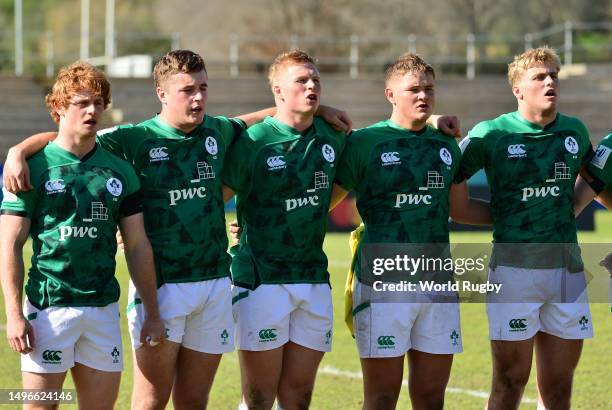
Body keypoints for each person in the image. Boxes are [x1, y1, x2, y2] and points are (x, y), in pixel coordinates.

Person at [2, 49, 351, 410]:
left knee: (194, 401)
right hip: (161, 286)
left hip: (214, 282)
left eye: (203, 87)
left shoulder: (217, 129)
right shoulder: (133, 138)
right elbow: (71, 135)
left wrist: (320, 110)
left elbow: (269, 117)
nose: (198, 97)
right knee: (150, 400)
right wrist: (19, 150)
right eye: (187, 90)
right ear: (162, 94)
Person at [0, 61, 164, 409]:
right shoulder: (33, 167)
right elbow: (10, 244)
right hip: (47, 311)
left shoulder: (120, 171)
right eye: (82, 103)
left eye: (99, 103)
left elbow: (136, 245)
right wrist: (14, 315)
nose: (93, 110)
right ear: (58, 108)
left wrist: (152, 311)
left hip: (102, 310)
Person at [331, 53, 491, 410]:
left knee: (431, 398)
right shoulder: (364, 143)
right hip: (383, 281)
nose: (423, 96)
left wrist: (519, 213)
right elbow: (324, 203)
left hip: (437, 281)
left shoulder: (445, 144)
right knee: (382, 397)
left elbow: (460, 209)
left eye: (429, 90)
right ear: (390, 94)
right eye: (413, 89)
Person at [457, 47, 594, 410]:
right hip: (514, 272)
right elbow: (452, 184)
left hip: (568, 271)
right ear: (518, 89)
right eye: (539, 76)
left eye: (554, 76)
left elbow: (592, 181)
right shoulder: (491, 133)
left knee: (560, 389)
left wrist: (572, 206)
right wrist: (508, 215)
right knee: (509, 382)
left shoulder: (574, 131)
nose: (550, 81)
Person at [222, 49, 351, 410]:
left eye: (316, 80)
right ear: (278, 90)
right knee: (259, 397)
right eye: (302, 80)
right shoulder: (254, 142)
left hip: (312, 277)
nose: (312, 86)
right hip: (261, 279)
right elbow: (214, 197)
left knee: (299, 397)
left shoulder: (333, 135)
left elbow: (333, 190)